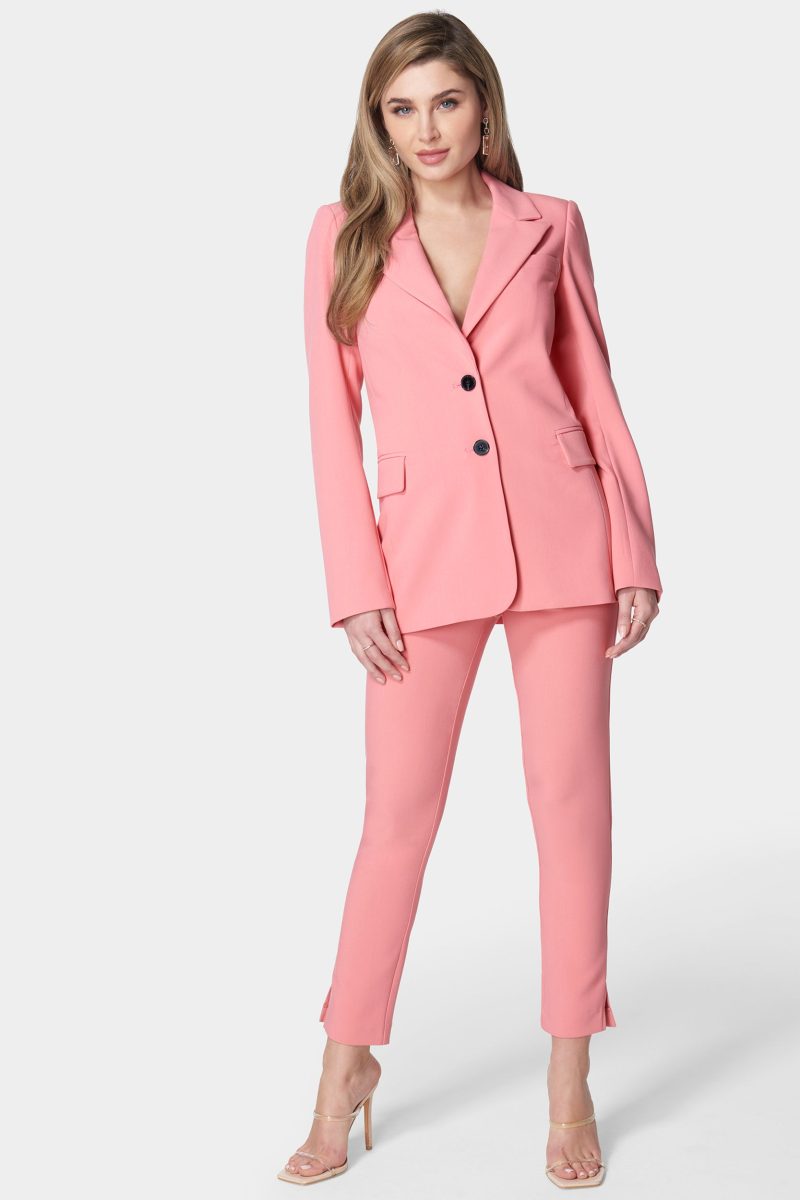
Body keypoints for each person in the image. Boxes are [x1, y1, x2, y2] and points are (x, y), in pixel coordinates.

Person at [279, 11, 663, 1190]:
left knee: (571, 810)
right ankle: (345, 1063)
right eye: (401, 108)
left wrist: (632, 548)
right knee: (394, 821)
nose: (426, 128)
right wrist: (355, 584)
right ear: (377, 123)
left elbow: (591, 386)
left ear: (482, 106)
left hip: (562, 542)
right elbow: (328, 423)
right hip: (419, 562)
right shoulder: (341, 236)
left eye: (444, 101)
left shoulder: (551, 224)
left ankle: (569, 1075)